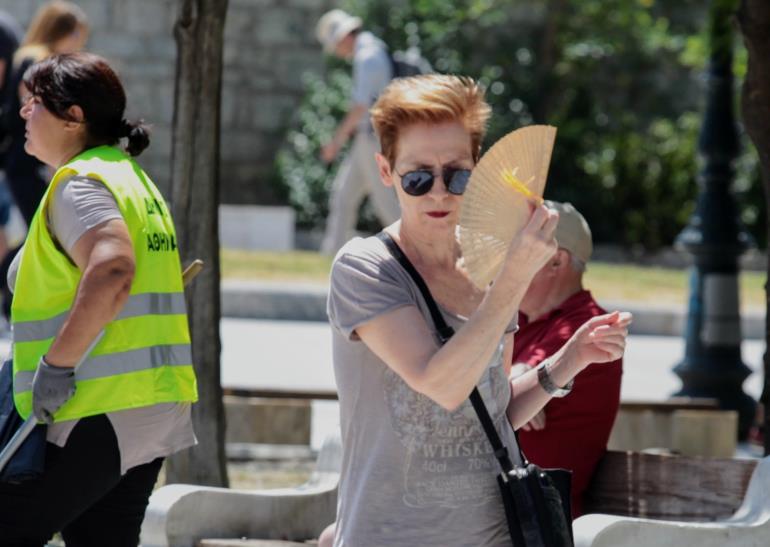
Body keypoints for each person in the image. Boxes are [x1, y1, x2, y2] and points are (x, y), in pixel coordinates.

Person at [325, 74, 631, 546]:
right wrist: (513, 280)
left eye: (458, 174)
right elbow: (442, 384)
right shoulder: (365, 268)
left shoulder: (488, 268)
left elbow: (490, 411)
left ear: (478, 169)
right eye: (418, 177)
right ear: (385, 172)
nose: (440, 192)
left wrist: (569, 359)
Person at [0, 52, 197, 546]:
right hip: (148, 405)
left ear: (73, 117)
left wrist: (57, 366)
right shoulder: (131, 179)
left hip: (89, 406)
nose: (23, 112)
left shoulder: (81, 183)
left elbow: (112, 271)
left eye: (34, 103)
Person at [508, 201, 622, 518]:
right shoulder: (519, 318)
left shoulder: (586, 326)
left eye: (520, 249)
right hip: (505, 508)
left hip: (534, 521)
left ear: (556, 261)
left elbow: (503, 396)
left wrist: (514, 382)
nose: (506, 261)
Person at [315, 8, 400, 255]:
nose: (337, 52)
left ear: (344, 37)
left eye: (336, 46)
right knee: (344, 196)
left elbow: (360, 107)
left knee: (385, 204)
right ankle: (332, 252)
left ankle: (416, 248)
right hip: (369, 138)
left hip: (373, 139)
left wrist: (335, 143)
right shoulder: (373, 50)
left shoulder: (367, 57)